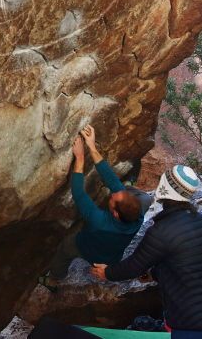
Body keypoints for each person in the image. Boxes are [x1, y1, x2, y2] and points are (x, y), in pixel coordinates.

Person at [91, 165, 202, 339]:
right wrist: (153, 274)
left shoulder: (162, 231)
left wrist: (106, 272)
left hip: (193, 325)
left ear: (164, 188)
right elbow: (187, 262)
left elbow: (133, 266)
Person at [38, 125, 151, 292]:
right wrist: (91, 145)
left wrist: (80, 158)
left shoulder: (98, 220)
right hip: (111, 257)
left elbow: (78, 194)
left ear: (115, 213)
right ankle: (129, 186)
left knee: (65, 249)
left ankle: (55, 279)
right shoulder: (138, 215)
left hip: (86, 247)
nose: (112, 194)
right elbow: (111, 180)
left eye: (113, 199)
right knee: (147, 198)